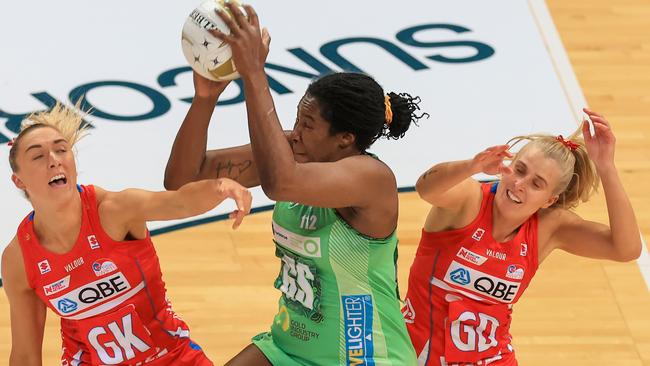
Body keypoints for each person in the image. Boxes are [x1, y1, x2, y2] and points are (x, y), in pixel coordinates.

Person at [164, 3, 427, 365]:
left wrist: (255, 74)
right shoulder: (293, 153)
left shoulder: (371, 179)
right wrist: (205, 99)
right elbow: (182, 180)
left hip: (365, 357)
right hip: (290, 347)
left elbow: (281, 183)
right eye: (297, 119)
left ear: (344, 139)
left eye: (308, 124)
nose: (296, 134)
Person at [1, 103, 252, 365]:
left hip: (172, 358)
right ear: (19, 181)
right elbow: (25, 355)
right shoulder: (18, 259)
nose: (54, 160)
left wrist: (220, 187)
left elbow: (179, 202)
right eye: (38, 156)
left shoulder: (114, 211)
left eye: (61, 150)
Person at [403, 108, 642, 365]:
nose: (519, 184)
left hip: (493, 357)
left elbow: (626, 249)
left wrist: (606, 167)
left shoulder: (550, 228)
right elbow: (426, 188)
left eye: (536, 183)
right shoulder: (469, 200)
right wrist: (472, 166)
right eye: (519, 169)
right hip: (417, 352)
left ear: (549, 200)